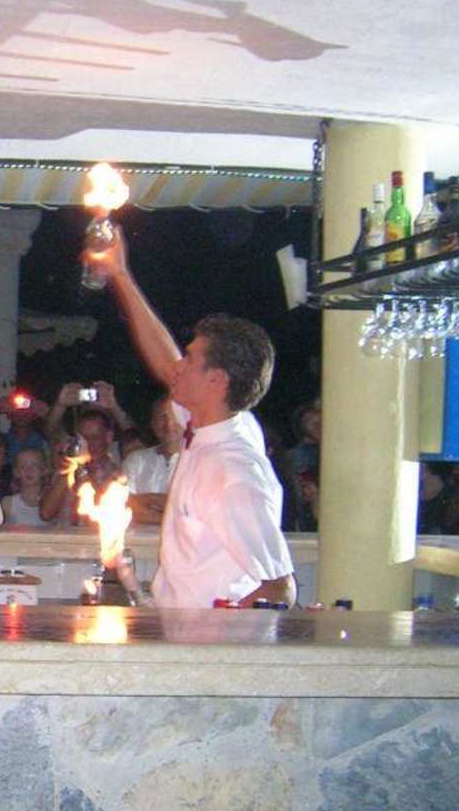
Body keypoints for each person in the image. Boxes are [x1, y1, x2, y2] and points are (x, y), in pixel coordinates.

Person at [101, 226, 295, 607]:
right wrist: (119, 273)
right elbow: (164, 360)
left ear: (216, 380)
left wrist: (213, 632)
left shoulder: (234, 471)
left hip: (206, 638)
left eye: (190, 359)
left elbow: (279, 588)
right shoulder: (210, 420)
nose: (179, 366)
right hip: (175, 627)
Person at [39, 406, 122, 525]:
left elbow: (104, 512)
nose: (88, 444)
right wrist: (73, 468)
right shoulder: (67, 468)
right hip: (66, 536)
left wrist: (86, 475)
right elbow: (45, 513)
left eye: (94, 438)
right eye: (83, 439)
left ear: (108, 437)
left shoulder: (118, 472)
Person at [123, 396, 182, 525]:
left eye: (175, 416)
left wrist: (147, 500)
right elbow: (123, 505)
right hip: (140, 538)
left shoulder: (200, 461)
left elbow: (200, 511)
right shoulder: (136, 460)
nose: (169, 423)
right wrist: (173, 515)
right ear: (153, 424)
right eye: (162, 417)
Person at [1, 447, 53, 527]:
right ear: (16, 472)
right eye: (23, 466)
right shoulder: (8, 502)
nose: (29, 470)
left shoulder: (53, 501)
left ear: (44, 470)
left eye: (34, 465)